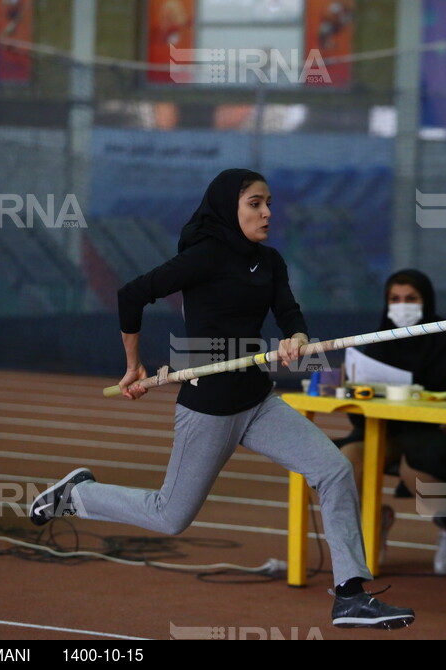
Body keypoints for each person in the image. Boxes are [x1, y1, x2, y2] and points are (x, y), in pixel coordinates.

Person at [28, 168, 414, 630]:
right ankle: (78, 494)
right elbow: (132, 295)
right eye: (255, 203)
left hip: (257, 400)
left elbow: (289, 311)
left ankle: (350, 594)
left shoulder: (270, 262)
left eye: (269, 202)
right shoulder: (205, 257)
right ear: (230, 208)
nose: (267, 212)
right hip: (209, 407)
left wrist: (295, 336)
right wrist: (133, 365)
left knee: (333, 469)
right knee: (169, 517)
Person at [335, 269, 446, 573]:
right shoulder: (379, 342)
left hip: (438, 435)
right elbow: (359, 417)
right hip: (389, 432)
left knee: (414, 468)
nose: (401, 306)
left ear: (426, 301)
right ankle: (373, 521)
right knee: (346, 460)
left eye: (410, 299)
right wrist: (353, 388)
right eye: (394, 299)